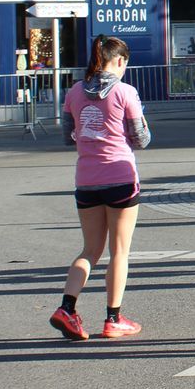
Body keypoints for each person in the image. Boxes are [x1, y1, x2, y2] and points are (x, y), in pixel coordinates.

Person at [50, 35, 152, 341]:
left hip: (86, 178)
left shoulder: (74, 92)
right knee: (119, 251)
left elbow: (67, 136)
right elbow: (141, 139)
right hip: (120, 176)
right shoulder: (125, 92)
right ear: (119, 61)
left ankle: (67, 308)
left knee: (90, 250)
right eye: (125, 63)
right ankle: (113, 318)